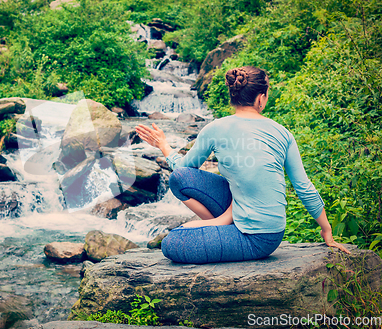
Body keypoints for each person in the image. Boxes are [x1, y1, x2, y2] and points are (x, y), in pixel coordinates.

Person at [135, 66, 350, 264]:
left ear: (233, 96)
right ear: (261, 99)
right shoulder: (283, 132)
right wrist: (326, 229)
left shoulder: (216, 127)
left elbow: (182, 164)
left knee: (172, 243)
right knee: (179, 179)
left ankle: (221, 225)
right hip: (244, 214)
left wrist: (163, 145)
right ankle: (222, 223)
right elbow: (304, 186)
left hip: (259, 237)